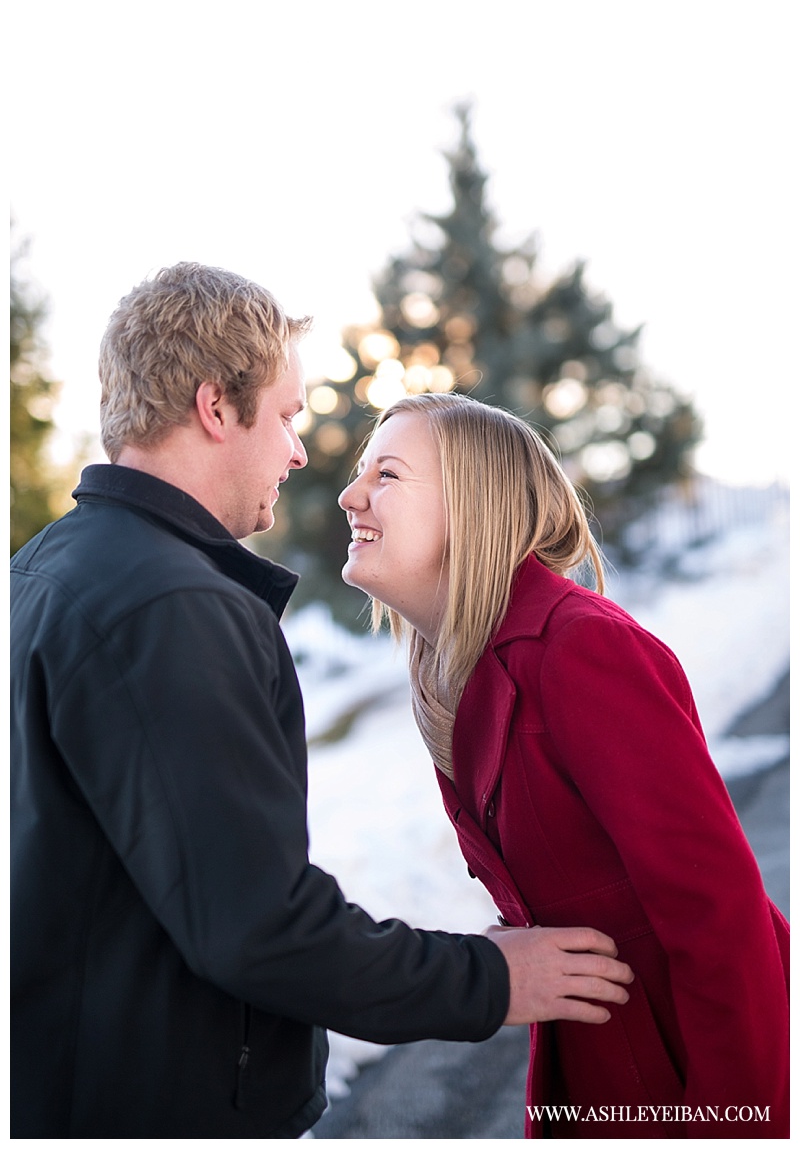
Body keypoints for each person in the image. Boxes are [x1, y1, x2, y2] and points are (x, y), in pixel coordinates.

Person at [10, 263, 634, 1140]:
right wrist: (491, 980)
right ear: (215, 408)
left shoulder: (42, 570)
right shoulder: (171, 605)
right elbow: (257, 926)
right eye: (287, 416)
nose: (299, 453)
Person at [338, 391, 790, 1140]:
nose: (352, 496)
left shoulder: (580, 650)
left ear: (473, 503)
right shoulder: (463, 672)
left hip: (691, 1082)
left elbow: (722, 916)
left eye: (386, 474)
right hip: (592, 1078)